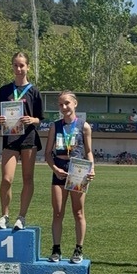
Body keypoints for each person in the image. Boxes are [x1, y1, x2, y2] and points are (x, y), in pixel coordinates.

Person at [0, 51, 43, 231]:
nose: (19, 68)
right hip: (10, 137)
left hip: (28, 138)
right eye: (16, 65)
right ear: (12, 66)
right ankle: (4, 215)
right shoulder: (4, 90)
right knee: (7, 179)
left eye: (22, 65)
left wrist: (32, 119)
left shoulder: (34, 91)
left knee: (27, 178)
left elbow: (40, 119)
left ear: (28, 67)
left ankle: (21, 217)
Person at [44, 90, 94, 264]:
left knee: (78, 212)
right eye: (60, 104)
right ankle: (56, 249)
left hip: (78, 170)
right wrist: (55, 168)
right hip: (60, 169)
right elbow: (47, 153)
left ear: (75, 103)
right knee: (58, 212)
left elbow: (89, 152)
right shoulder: (54, 126)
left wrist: (92, 169)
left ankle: (78, 249)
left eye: (67, 103)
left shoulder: (84, 126)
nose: (64, 107)